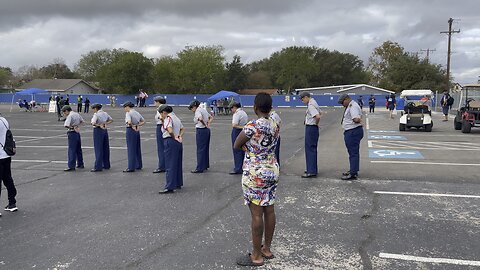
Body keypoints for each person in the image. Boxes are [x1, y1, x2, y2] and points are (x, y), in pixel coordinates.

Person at [234, 93, 279, 267]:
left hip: (255, 171)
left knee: (256, 213)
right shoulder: (275, 124)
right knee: (269, 209)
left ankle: (256, 255)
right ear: (270, 107)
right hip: (271, 168)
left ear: (255, 107)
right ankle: (266, 249)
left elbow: (237, 144)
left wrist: (251, 150)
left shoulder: (252, 125)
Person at [158, 105, 185, 194]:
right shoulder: (176, 118)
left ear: (163, 112)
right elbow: (182, 128)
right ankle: (178, 182)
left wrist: (173, 137)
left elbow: (169, 130)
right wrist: (179, 136)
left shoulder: (168, 118)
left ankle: (169, 186)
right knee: (177, 163)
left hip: (170, 141)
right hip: (178, 142)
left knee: (170, 164)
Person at [338, 94, 364, 181]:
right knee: (352, 152)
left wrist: (359, 120)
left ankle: (353, 173)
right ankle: (353, 169)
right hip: (352, 131)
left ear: (346, 99)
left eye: (342, 102)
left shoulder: (353, 106)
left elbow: (355, 119)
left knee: (353, 153)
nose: (342, 105)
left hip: (353, 131)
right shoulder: (351, 105)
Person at [300, 92, 321, 178]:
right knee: (312, 149)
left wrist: (316, 124)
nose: (302, 101)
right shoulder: (314, 103)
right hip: (312, 128)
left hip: (311, 127)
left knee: (310, 149)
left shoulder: (311, 105)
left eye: (302, 99)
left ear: (306, 97)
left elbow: (318, 116)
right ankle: (312, 168)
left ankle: (311, 171)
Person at [0, 114, 18, 215]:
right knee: (8, 179)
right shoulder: (4, 120)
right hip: (6, 154)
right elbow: (10, 135)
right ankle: (12, 203)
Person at [189, 100, 213, 173]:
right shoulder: (203, 110)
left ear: (194, 106)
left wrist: (204, 124)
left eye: (191, 108)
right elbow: (211, 117)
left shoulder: (198, 111)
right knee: (205, 148)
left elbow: (200, 118)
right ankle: (205, 165)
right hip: (206, 130)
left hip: (201, 130)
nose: (191, 110)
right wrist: (208, 123)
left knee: (200, 149)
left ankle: (200, 167)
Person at [90, 104, 113, 172]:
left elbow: (93, 123)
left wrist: (99, 125)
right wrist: (105, 123)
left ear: (96, 109)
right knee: (105, 147)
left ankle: (98, 166)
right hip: (104, 130)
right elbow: (111, 120)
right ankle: (106, 164)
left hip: (98, 130)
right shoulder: (105, 113)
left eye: (93, 109)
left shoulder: (96, 115)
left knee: (98, 148)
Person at [123, 102, 145, 172]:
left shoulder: (128, 113)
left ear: (127, 107)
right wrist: (137, 125)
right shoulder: (137, 113)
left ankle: (131, 166)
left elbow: (129, 122)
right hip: (137, 130)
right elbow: (143, 121)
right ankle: (138, 164)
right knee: (137, 148)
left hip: (130, 130)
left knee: (131, 149)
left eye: (125, 107)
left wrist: (132, 126)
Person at [62, 105, 85, 171]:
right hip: (77, 132)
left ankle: (71, 165)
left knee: (72, 150)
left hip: (72, 133)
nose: (64, 114)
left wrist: (72, 127)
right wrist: (77, 126)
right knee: (78, 149)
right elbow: (82, 121)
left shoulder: (70, 116)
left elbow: (66, 125)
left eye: (64, 112)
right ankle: (80, 163)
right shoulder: (77, 114)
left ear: (66, 111)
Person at [230, 102, 248, 175]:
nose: (231, 110)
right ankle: (243, 166)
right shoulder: (243, 112)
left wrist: (242, 127)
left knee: (236, 149)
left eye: (231, 108)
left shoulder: (237, 114)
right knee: (242, 149)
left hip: (237, 131)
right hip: (244, 132)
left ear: (235, 107)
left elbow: (234, 125)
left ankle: (238, 168)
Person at [153, 96, 167, 173]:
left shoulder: (160, 109)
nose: (154, 103)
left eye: (155, 101)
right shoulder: (164, 107)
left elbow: (162, 118)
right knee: (163, 147)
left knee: (161, 147)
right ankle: (164, 165)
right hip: (163, 126)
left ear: (158, 102)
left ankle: (162, 166)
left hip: (160, 127)